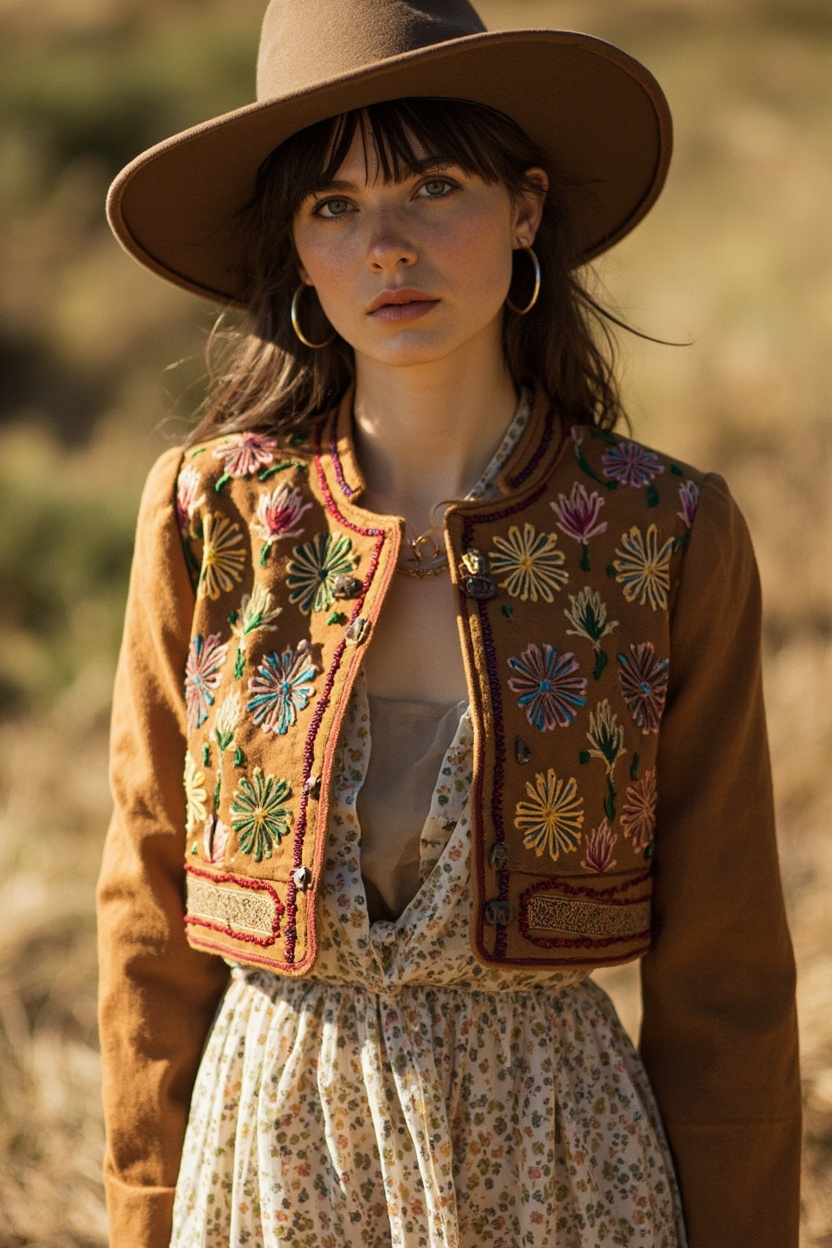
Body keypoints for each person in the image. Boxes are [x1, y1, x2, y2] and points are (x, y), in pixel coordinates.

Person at [97, 1, 801, 1246]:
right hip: (269, 1164)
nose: (386, 248)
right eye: (334, 205)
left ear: (525, 209)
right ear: (292, 248)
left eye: (432, 187)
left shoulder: (659, 533)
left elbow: (725, 966)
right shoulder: (213, 519)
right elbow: (146, 917)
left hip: (562, 1173)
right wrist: (143, 1215)